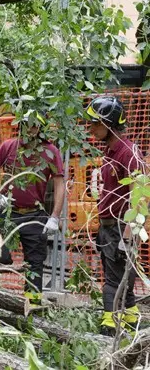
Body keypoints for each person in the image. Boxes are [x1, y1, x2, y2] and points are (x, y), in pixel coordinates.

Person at [0, 111, 65, 306]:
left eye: (35, 125)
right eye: (26, 125)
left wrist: (55, 216)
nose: (30, 129)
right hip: (6, 213)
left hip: (34, 215)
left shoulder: (50, 151)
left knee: (35, 263)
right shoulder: (9, 146)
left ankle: (33, 307)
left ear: (41, 129)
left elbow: (60, 184)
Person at [85, 95, 144, 335]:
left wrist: (128, 236)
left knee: (113, 279)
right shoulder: (111, 151)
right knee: (121, 277)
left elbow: (140, 198)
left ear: (108, 123)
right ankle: (132, 319)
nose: (91, 128)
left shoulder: (128, 153)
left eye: (95, 123)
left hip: (122, 227)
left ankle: (109, 326)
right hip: (110, 226)